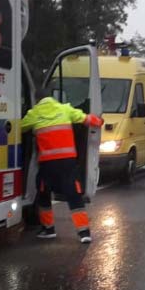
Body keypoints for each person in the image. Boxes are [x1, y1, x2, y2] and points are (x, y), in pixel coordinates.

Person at [19, 96, 103, 243]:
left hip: (47, 164)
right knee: (74, 196)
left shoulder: (34, 113)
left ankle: (48, 229)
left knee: (43, 194)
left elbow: (20, 127)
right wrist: (99, 121)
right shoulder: (65, 109)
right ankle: (84, 233)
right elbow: (86, 119)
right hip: (67, 162)